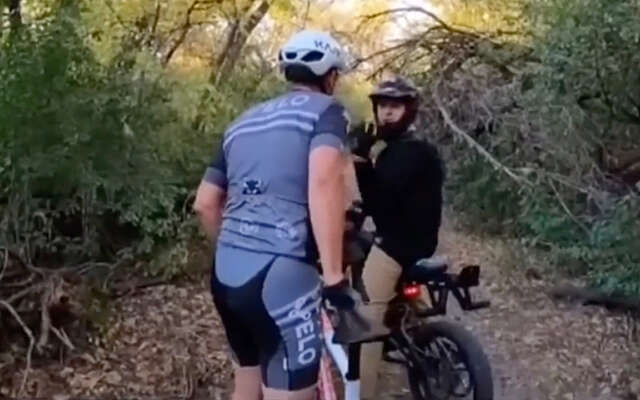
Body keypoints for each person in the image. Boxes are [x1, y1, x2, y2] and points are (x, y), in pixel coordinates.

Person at [193, 30, 362, 400]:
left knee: (247, 385)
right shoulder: (327, 112)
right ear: (329, 75)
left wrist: (233, 249)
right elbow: (324, 182)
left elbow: (205, 203)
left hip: (225, 277)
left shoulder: (241, 122)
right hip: (282, 279)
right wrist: (334, 277)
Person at [349, 76, 445, 399]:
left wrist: (361, 161)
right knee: (416, 305)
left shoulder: (404, 154)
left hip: (397, 246)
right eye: (383, 107)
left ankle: (361, 393)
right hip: (421, 244)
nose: (387, 114)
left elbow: (377, 202)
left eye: (395, 107)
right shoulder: (416, 151)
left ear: (410, 111)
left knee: (365, 321)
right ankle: (433, 339)